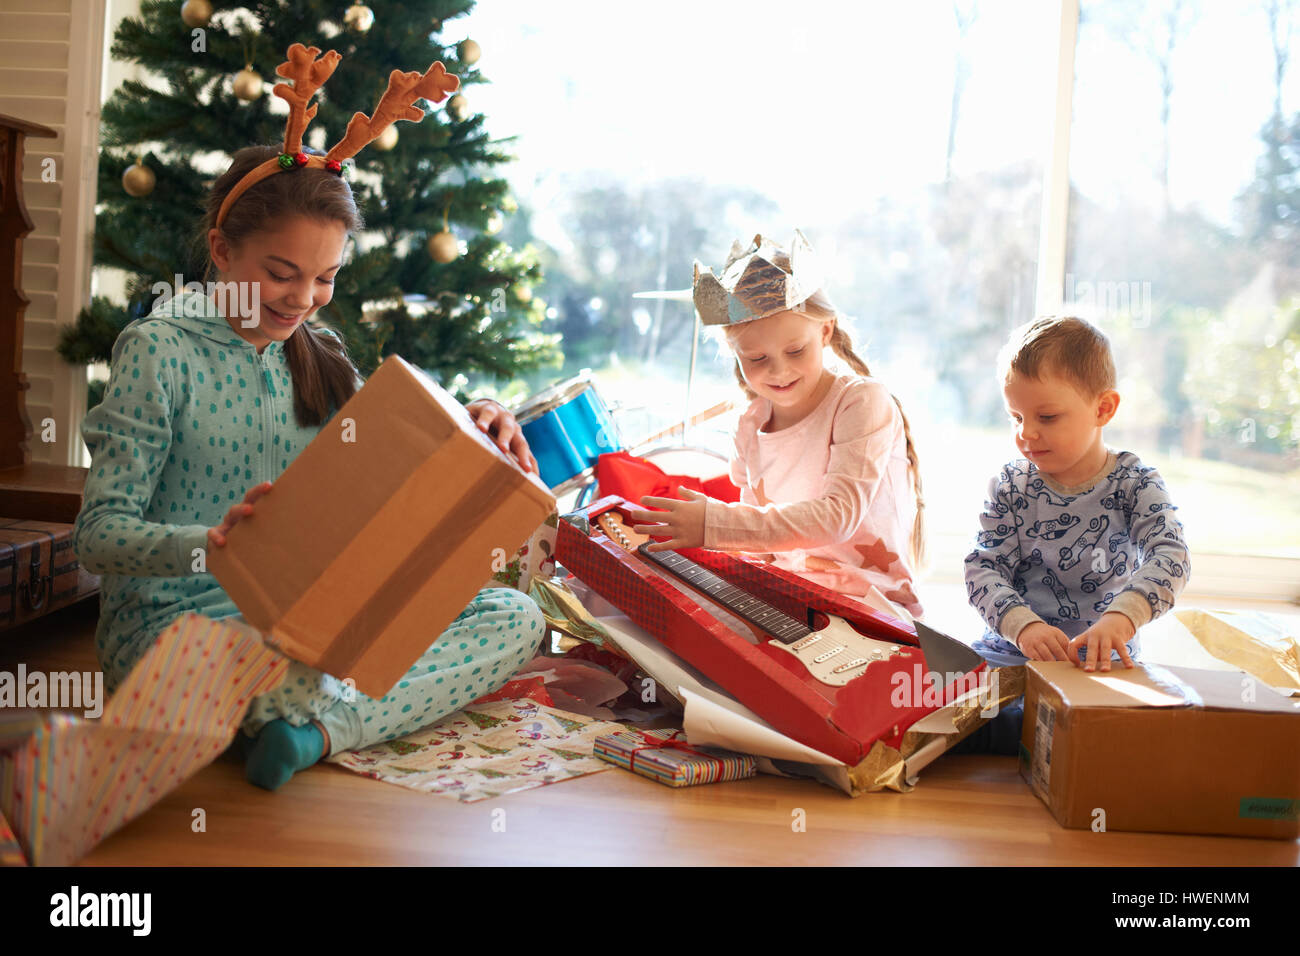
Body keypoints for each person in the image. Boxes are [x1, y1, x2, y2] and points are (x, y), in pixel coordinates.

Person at [73, 49, 546, 791]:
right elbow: (99, 538)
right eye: (281, 274)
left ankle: (316, 730)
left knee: (512, 617)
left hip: (308, 620)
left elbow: (399, 460)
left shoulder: (319, 353)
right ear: (224, 253)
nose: (301, 300)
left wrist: (479, 415)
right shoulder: (157, 352)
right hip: (178, 631)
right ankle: (313, 712)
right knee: (288, 666)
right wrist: (215, 545)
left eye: (325, 278)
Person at [626, 231, 926, 619]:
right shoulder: (749, 425)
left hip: (869, 604)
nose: (778, 370)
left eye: (795, 350)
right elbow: (759, 546)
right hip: (787, 594)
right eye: (756, 358)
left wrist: (714, 523)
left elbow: (839, 516)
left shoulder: (861, 401)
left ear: (825, 331)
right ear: (735, 353)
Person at [954, 315, 1192, 754]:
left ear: (1103, 409)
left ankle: (1038, 735)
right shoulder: (1010, 484)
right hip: (1010, 653)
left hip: (1100, 662)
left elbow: (1171, 556)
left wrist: (1122, 619)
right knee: (941, 704)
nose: (1026, 433)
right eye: (1015, 417)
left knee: (1119, 739)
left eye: (1046, 416)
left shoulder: (1134, 482)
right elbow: (983, 568)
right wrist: (1022, 626)